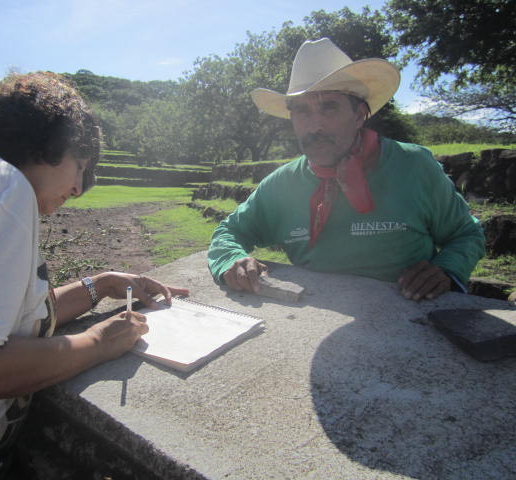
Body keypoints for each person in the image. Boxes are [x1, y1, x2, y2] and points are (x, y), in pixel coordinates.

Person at [0, 72, 188, 479]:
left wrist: (102, 283)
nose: (77, 189)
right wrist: (97, 342)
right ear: (51, 141)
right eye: (79, 166)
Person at [208, 38, 485, 301]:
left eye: (329, 108)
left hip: (412, 319)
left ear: (359, 115)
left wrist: (446, 269)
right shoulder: (282, 184)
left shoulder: (414, 166)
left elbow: (466, 233)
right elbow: (229, 233)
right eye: (302, 111)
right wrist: (233, 259)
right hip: (314, 322)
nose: (315, 126)